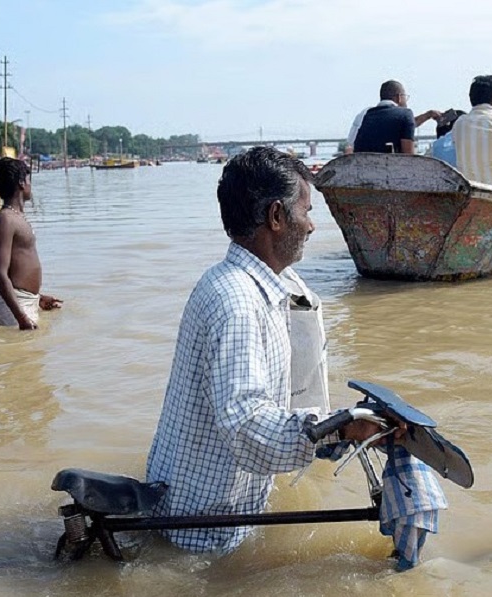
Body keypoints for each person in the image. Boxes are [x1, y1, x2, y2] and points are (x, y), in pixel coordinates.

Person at [144, 146, 384, 554]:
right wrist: (343, 426)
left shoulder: (266, 286)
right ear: (276, 217)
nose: (311, 226)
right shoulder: (235, 301)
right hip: (201, 533)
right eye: (306, 211)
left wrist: (338, 426)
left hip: (221, 510)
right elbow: (248, 427)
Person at [0, 157, 62, 329]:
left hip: (25, 301)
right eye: (29, 180)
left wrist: (38, 298)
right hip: (15, 307)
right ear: (21, 182)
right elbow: (0, 274)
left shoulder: (16, 217)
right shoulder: (5, 220)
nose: (30, 185)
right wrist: (21, 316)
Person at [345, 80, 441, 154]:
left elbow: (350, 145)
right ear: (399, 97)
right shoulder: (406, 114)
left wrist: (428, 115)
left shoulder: (365, 114)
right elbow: (409, 158)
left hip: (362, 169)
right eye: (405, 97)